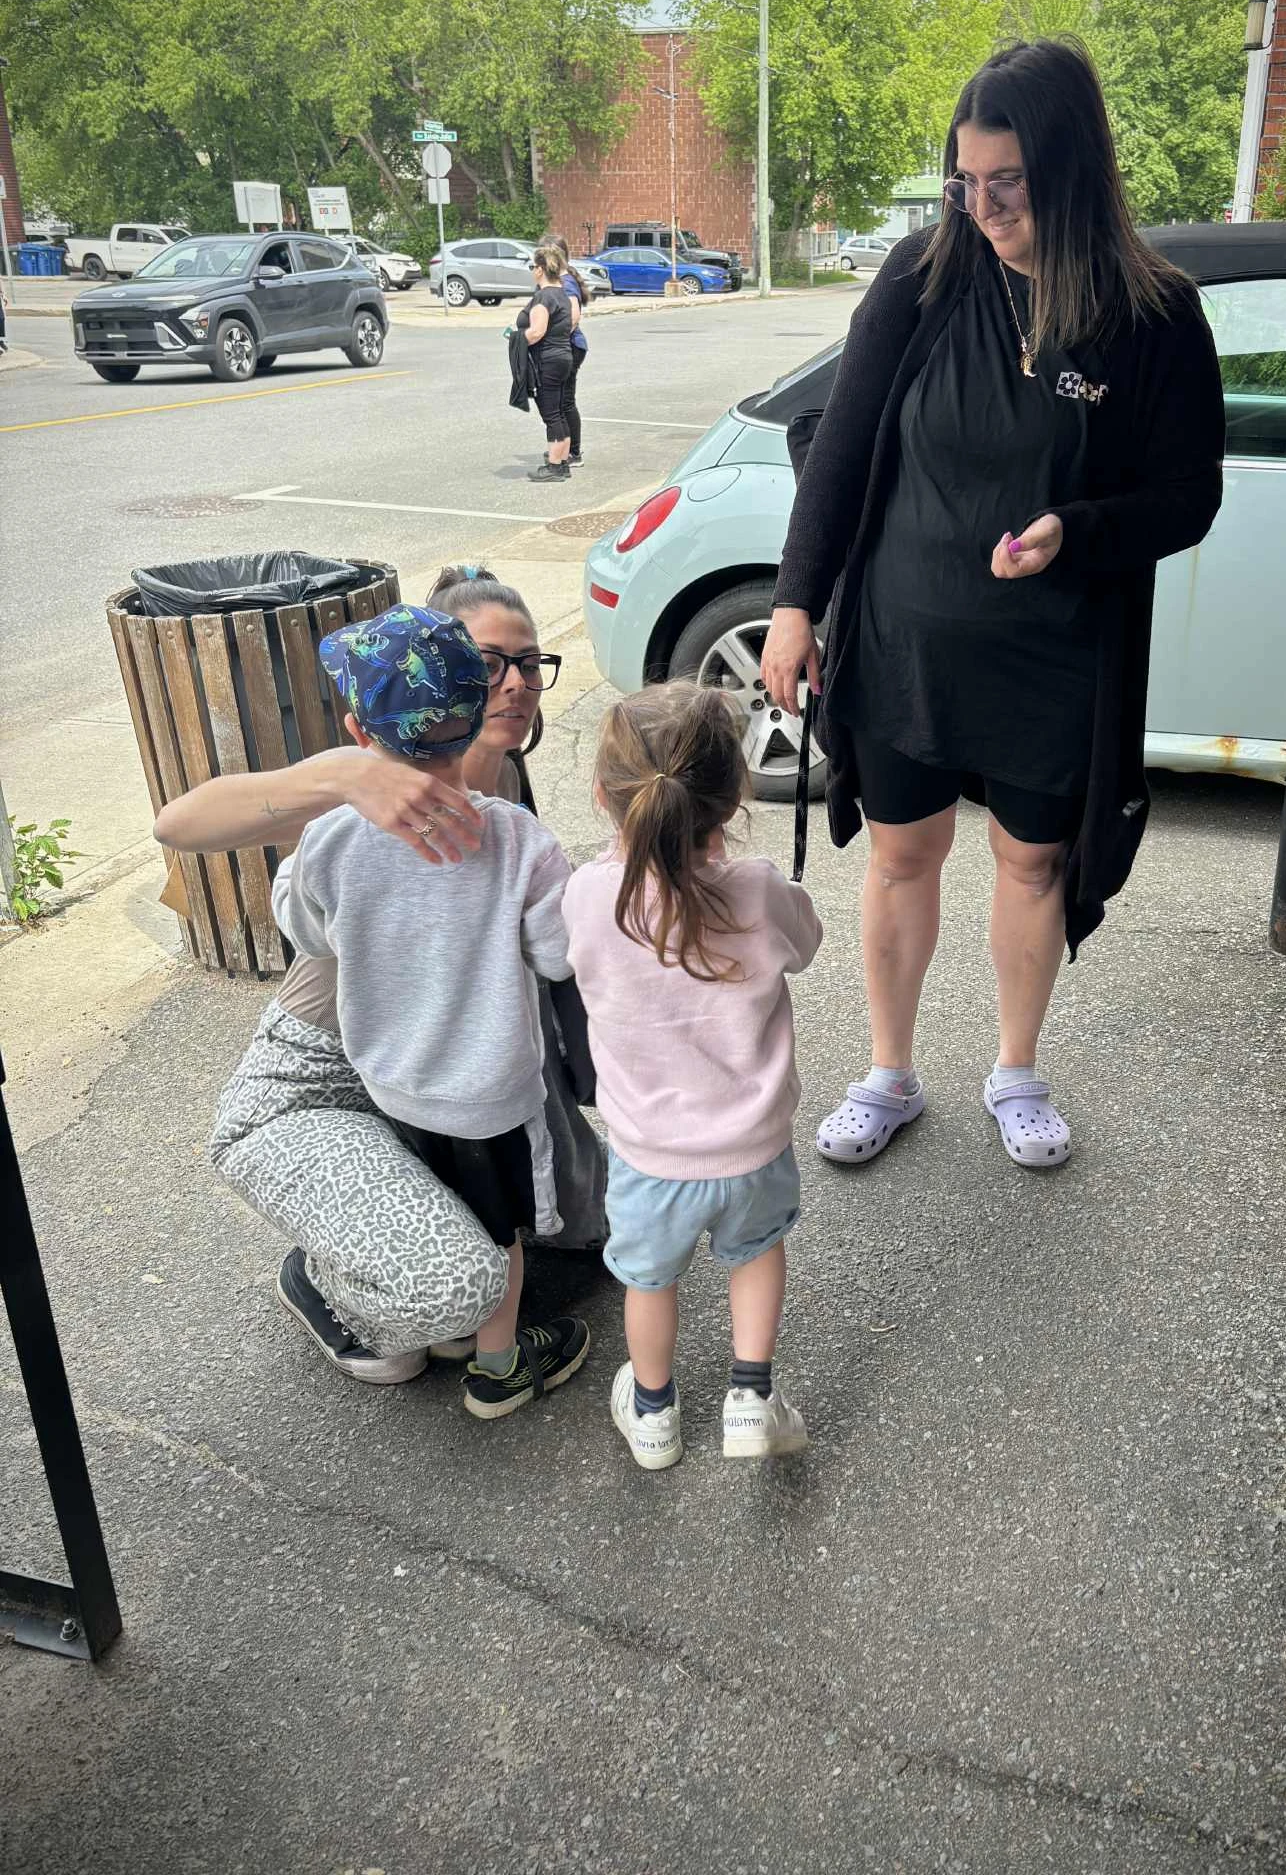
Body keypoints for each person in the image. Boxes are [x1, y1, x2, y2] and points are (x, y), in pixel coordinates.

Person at [759, 39, 1225, 1173]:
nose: (983, 207)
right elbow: (843, 446)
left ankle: (1016, 1070)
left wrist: (1078, 531)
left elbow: (1189, 494)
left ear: (1070, 168)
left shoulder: (1153, 313)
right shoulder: (923, 275)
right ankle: (888, 1071)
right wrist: (795, 602)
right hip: (905, 636)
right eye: (964, 181)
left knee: (1031, 864)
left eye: (1007, 182)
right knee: (900, 854)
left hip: (1052, 653)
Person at [156, 566, 604, 1387]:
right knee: (437, 1310)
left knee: (578, 1222)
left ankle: (432, 1286)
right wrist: (340, 775)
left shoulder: (495, 792)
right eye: (490, 664)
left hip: (426, 1056)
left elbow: (307, 921)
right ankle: (330, 1278)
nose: (514, 683)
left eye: (529, 662)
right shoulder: (359, 805)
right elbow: (176, 826)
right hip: (327, 1070)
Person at [271, 601, 590, 1422]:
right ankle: (498, 1365)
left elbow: (308, 934)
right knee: (500, 1231)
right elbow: (558, 955)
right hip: (491, 1091)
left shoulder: (330, 837)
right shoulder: (518, 840)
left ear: (356, 732)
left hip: (388, 1081)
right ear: (475, 718)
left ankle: (446, 1328)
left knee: (435, 1205)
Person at [562, 682, 822, 1471]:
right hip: (753, 1146)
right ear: (733, 797)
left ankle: (653, 1415)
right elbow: (805, 943)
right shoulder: (757, 889)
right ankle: (750, 1398)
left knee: (649, 1282)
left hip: (649, 1155)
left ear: (605, 796)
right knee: (756, 1253)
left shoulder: (588, 896)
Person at [519, 245, 576, 482]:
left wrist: (516, 337)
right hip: (564, 356)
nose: (533, 271)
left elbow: (537, 331)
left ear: (540, 270)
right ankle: (562, 463)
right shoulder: (562, 294)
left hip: (548, 360)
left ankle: (553, 466)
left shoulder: (543, 297)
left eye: (533, 266)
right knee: (560, 412)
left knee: (551, 414)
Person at [539, 234, 588, 467]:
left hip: (570, 347)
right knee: (561, 401)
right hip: (566, 346)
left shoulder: (566, 283)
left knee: (565, 401)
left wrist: (554, 339)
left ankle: (573, 453)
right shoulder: (559, 280)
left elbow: (573, 317)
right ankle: (564, 449)